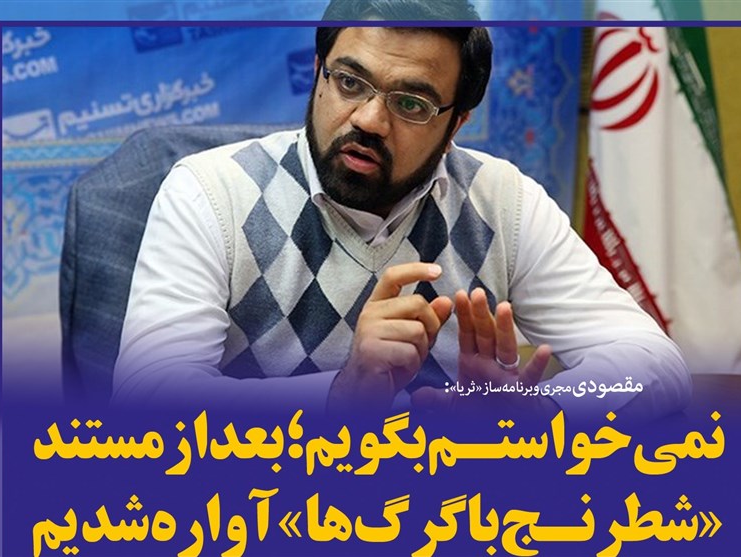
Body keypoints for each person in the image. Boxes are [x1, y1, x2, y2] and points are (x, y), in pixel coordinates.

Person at [113, 0, 691, 419]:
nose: (369, 119)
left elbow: (654, 362)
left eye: (411, 103)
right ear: (317, 74)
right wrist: (340, 393)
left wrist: (542, 413)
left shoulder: (502, 202)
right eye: (350, 82)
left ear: (456, 123)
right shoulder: (211, 193)